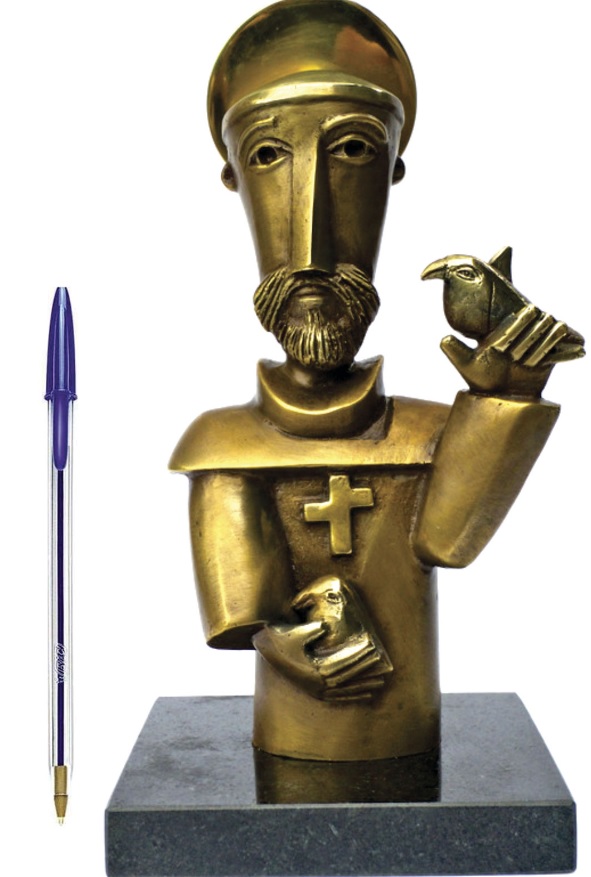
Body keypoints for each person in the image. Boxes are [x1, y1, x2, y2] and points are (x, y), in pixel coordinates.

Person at [170, 0, 583, 762]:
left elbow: (448, 538)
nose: (311, 247)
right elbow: (245, 610)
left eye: (353, 150)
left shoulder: (426, 434)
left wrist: (507, 394)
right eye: (269, 156)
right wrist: (286, 643)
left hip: (408, 734)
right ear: (235, 179)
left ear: (392, 173)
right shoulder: (223, 446)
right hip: (286, 742)